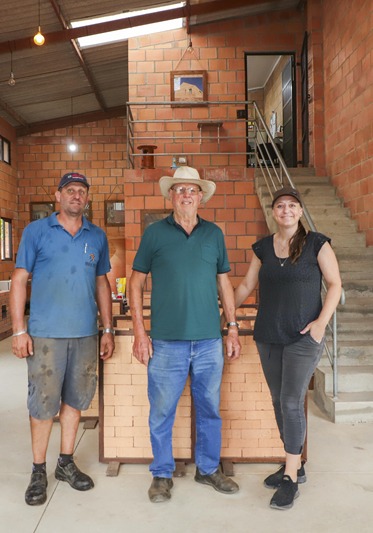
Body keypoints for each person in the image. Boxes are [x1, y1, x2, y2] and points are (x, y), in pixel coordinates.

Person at [129, 166, 242, 504]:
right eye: (180, 190)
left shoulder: (214, 235)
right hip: (165, 342)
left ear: (201, 197)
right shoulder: (154, 234)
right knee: (161, 411)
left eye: (192, 190)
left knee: (210, 409)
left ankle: (208, 469)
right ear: (171, 196)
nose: (186, 195)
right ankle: (161, 475)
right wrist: (139, 332)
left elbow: (224, 282)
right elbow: (135, 283)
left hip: (209, 341)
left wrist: (232, 327)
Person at [230, 186, 342, 510]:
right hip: (268, 335)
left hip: (303, 337)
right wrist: (225, 310)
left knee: (292, 403)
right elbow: (247, 285)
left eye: (292, 205)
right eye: (281, 206)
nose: (287, 210)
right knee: (279, 401)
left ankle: (290, 478)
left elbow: (335, 285)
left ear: (300, 211)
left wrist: (321, 323)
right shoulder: (264, 247)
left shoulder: (316, 244)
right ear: (275, 212)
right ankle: (295, 463)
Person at [10, 172, 116, 506]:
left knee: (75, 401)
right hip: (45, 335)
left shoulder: (96, 236)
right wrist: (18, 329)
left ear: (87, 198)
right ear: (58, 195)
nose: (76, 196)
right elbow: (19, 279)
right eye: (70, 190)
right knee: (43, 405)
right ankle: (38, 470)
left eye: (82, 191)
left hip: (85, 333)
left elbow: (102, 285)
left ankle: (65, 463)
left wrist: (108, 328)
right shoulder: (36, 231)